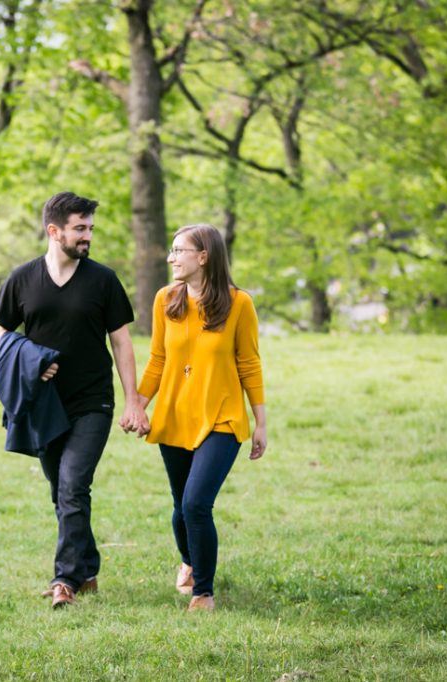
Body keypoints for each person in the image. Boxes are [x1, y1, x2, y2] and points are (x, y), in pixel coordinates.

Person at [0, 191, 149, 609]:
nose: (87, 236)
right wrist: (31, 361)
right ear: (53, 230)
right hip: (41, 406)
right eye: (80, 228)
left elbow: (122, 344)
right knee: (61, 493)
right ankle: (88, 567)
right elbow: (1, 334)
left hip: (92, 402)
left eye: (90, 228)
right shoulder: (22, 279)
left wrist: (134, 401)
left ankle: (65, 580)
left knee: (73, 486)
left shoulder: (103, 280)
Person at [128, 224, 267, 612]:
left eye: (179, 250)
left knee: (195, 504)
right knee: (180, 507)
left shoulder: (239, 304)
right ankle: (190, 560)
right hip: (174, 415)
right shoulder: (164, 299)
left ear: (203, 256)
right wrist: (137, 404)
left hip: (222, 418)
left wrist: (261, 421)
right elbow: (158, 359)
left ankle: (203, 592)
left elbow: (249, 363)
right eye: (172, 251)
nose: (172, 258)